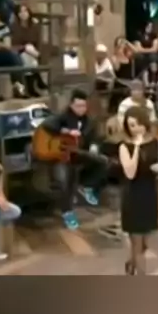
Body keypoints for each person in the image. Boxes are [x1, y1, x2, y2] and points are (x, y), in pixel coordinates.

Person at [42, 89, 108, 230]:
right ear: (71, 105)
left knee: (103, 162)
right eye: (78, 106)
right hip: (62, 155)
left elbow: (95, 138)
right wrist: (66, 131)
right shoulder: (62, 117)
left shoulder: (89, 121)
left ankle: (87, 186)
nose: (81, 109)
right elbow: (47, 125)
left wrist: (94, 146)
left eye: (84, 106)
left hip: (80, 153)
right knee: (64, 182)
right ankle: (67, 212)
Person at [119, 105, 158, 274]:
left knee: (144, 243)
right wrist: (137, 148)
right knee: (137, 242)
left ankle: (131, 261)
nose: (136, 128)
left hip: (149, 194)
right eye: (132, 125)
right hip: (133, 195)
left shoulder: (155, 142)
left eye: (139, 124)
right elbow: (130, 173)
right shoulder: (124, 146)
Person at [10, 4, 47, 96]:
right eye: (20, 12)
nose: (23, 14)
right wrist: (25, 48)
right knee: (27, 55)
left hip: (32, 52)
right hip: (19, 51)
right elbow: (14, 44)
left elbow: (38, 41)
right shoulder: (14, 26)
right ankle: (37, 79)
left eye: (25, 11)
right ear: (17, 14)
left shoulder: (34, 25)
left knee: (29, 54)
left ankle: (32, 87)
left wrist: (35, 50)